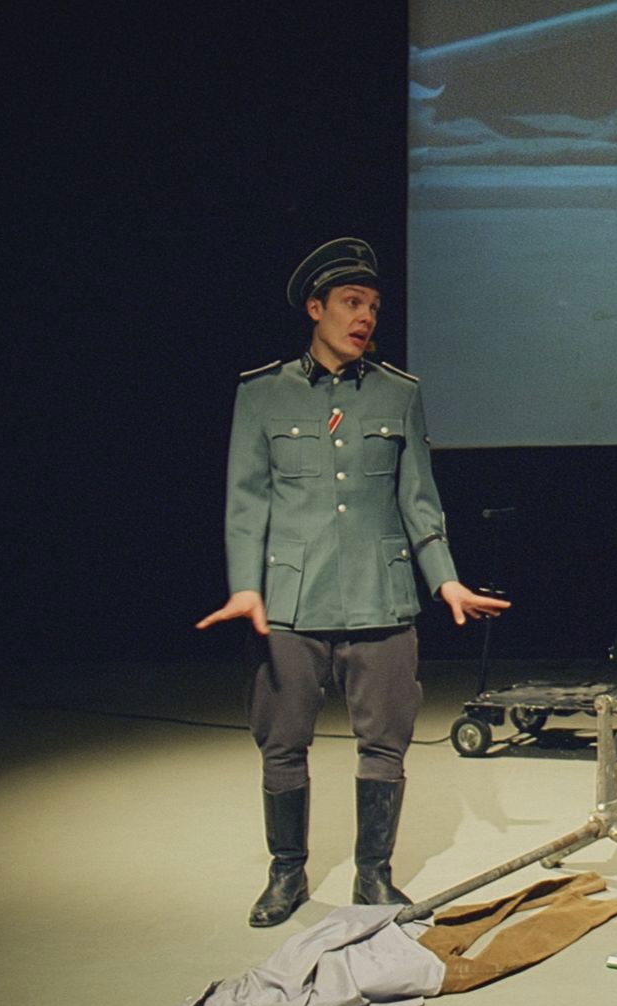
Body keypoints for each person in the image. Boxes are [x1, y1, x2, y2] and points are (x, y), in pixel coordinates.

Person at [197, 238, 510, 927]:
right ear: (316, 309)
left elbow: (419, 502)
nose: (364, 316)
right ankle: (286, 874)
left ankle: (374, 876)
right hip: (290, 602)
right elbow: (246, 504)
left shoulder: (400, 394)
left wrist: (446, 581)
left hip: (381, 596)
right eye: (350, 302)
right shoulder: (262, 394)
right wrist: (246, 586)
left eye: (372, 305)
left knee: (386, 743)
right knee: (282, 743)